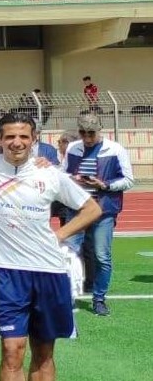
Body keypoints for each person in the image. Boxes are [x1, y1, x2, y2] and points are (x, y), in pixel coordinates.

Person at [0, 112, 102, 381]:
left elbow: (91, 209)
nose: (16, 143)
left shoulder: (48, 173)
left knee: (44, 350)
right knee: (12, 349)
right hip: (6, 274)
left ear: (34, 139)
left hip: (48, 272)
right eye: (10, 137)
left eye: (24, 137)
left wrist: (59, 234)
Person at [65, 111, 135, 317]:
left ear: (100, 130)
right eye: (83, 132)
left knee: (102, 256)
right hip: (76, 209)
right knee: (69, 254)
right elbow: (63, 173)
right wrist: (72, 178)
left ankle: (99, 299)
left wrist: (104, 184)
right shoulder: (72, 148)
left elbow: (129, 180)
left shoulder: (116, 150)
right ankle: (68, 297)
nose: (87, 137)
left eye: (91, 133)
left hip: (103, 211)